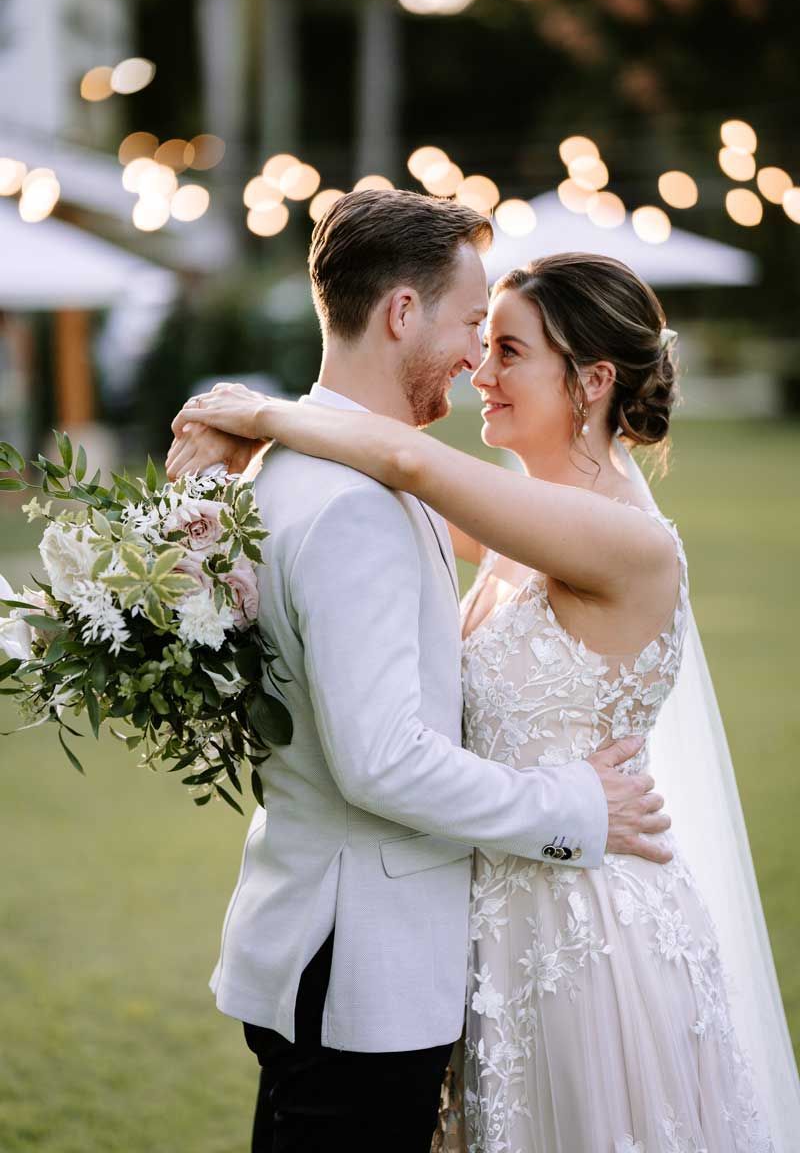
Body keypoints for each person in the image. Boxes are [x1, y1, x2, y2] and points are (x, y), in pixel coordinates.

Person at [170, 240, 800, 1151]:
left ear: (592, 382)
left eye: (509, 351)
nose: (480, 372)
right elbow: (379, 502)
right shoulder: (525, 520)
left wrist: (256, 412)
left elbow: (412, 465)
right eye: (482, 339)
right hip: (491, 926)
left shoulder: (624, 540)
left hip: (586, 931)